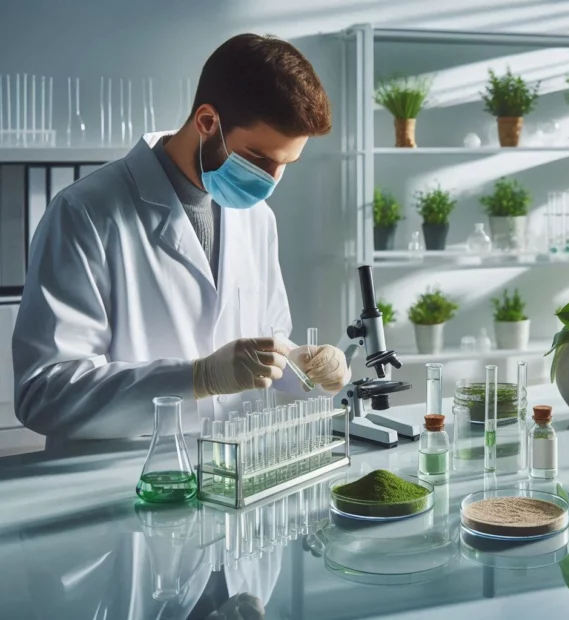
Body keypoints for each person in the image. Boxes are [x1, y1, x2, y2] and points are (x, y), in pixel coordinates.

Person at [12, 34, 349, 441]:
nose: (270, 181)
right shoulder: (84, 212)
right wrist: (197, 378)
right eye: (259, 159)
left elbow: (265, 342)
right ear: (207, 122)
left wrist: (300, 365)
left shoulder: (258, 219)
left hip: (230, 471)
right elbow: (45, 393)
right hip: (120, 477)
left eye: (285, 164)